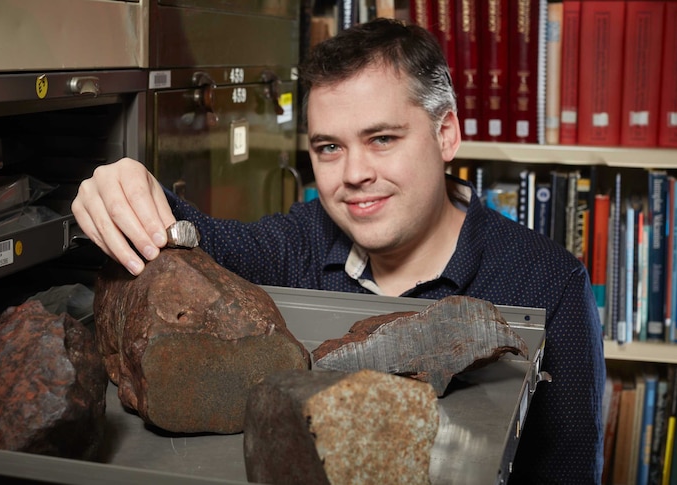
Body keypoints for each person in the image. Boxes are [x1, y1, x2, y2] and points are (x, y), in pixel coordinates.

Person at [72, 18, 604, 484]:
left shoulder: (549, 283)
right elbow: (206, 236)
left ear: (446, 135)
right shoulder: (300, 241)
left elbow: (566, 473)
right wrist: (128, 185)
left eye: (382, 139)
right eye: (330, 147)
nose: (353, 175)